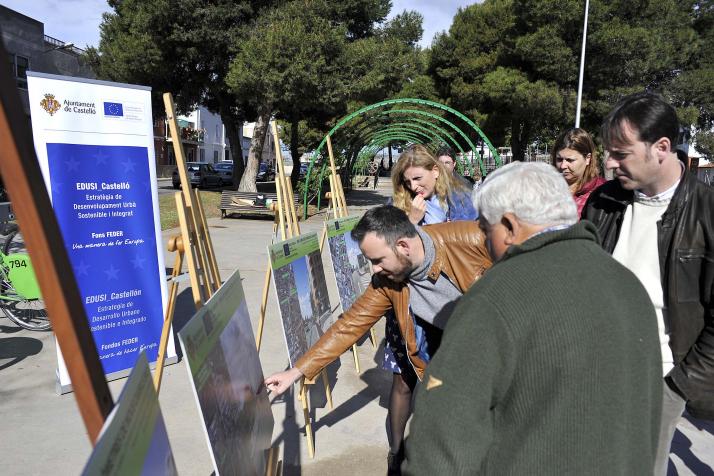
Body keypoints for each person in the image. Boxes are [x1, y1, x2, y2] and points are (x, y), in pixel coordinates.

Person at [403, 162, 662, 474]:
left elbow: (441, 439)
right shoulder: (629, 286)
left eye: (486, 230)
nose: (485, 243)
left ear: (510, 227)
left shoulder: (494, 297)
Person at [264, 205, 491, 474]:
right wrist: (297, 370)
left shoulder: (474, 240)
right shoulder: (387, 281)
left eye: (378, 260)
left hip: (492, 356)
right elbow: (349, 325)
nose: (374, 270)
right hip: (448, 362)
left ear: (404, 246)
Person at [582, 92, 714, 475]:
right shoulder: (604, 200)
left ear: (661, 148)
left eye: (620, 153)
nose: (608, 163)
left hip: (661, 378)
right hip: (598, 369)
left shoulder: (707, 212)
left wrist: (677, 387)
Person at [384, 145, 479, 471]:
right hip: (408, 307)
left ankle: (432, 452)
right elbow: (386, 260)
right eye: (407, 180)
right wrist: (410, 221)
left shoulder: (463, 200)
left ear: (437, 171)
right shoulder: (399, 206)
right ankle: (396, 452)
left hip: (451, 306)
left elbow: (476, 248)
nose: (413, 187)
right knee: (403, 381)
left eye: (418, 178)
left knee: (443, 383)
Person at [392, 145, 477, 225]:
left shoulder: (460, 198)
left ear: (435, 171)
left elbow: (469, 236)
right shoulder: (400, 199)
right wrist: (412, 221)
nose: (413, 187)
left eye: (417, 178)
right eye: (407, 182)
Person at [551, 127, 606, 216]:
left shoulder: (602, 193)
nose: (563, 166)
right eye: (559, 159)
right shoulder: (546, 188)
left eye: (570, 160)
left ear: (588, 158)